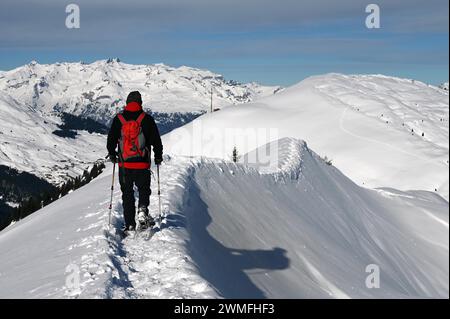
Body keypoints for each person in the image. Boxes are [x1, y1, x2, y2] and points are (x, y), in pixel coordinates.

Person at [107, 91, 163, 233]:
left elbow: (111, 140)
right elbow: (156, 140)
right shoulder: (147, 119)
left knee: (127, 193)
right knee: (144, 189)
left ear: (127, 103)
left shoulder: (119, 119)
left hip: (125, 165)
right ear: (140, 103)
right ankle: (143, 208)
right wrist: (158, 156)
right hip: (142, 163)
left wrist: (112, 154)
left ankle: (130, 224)